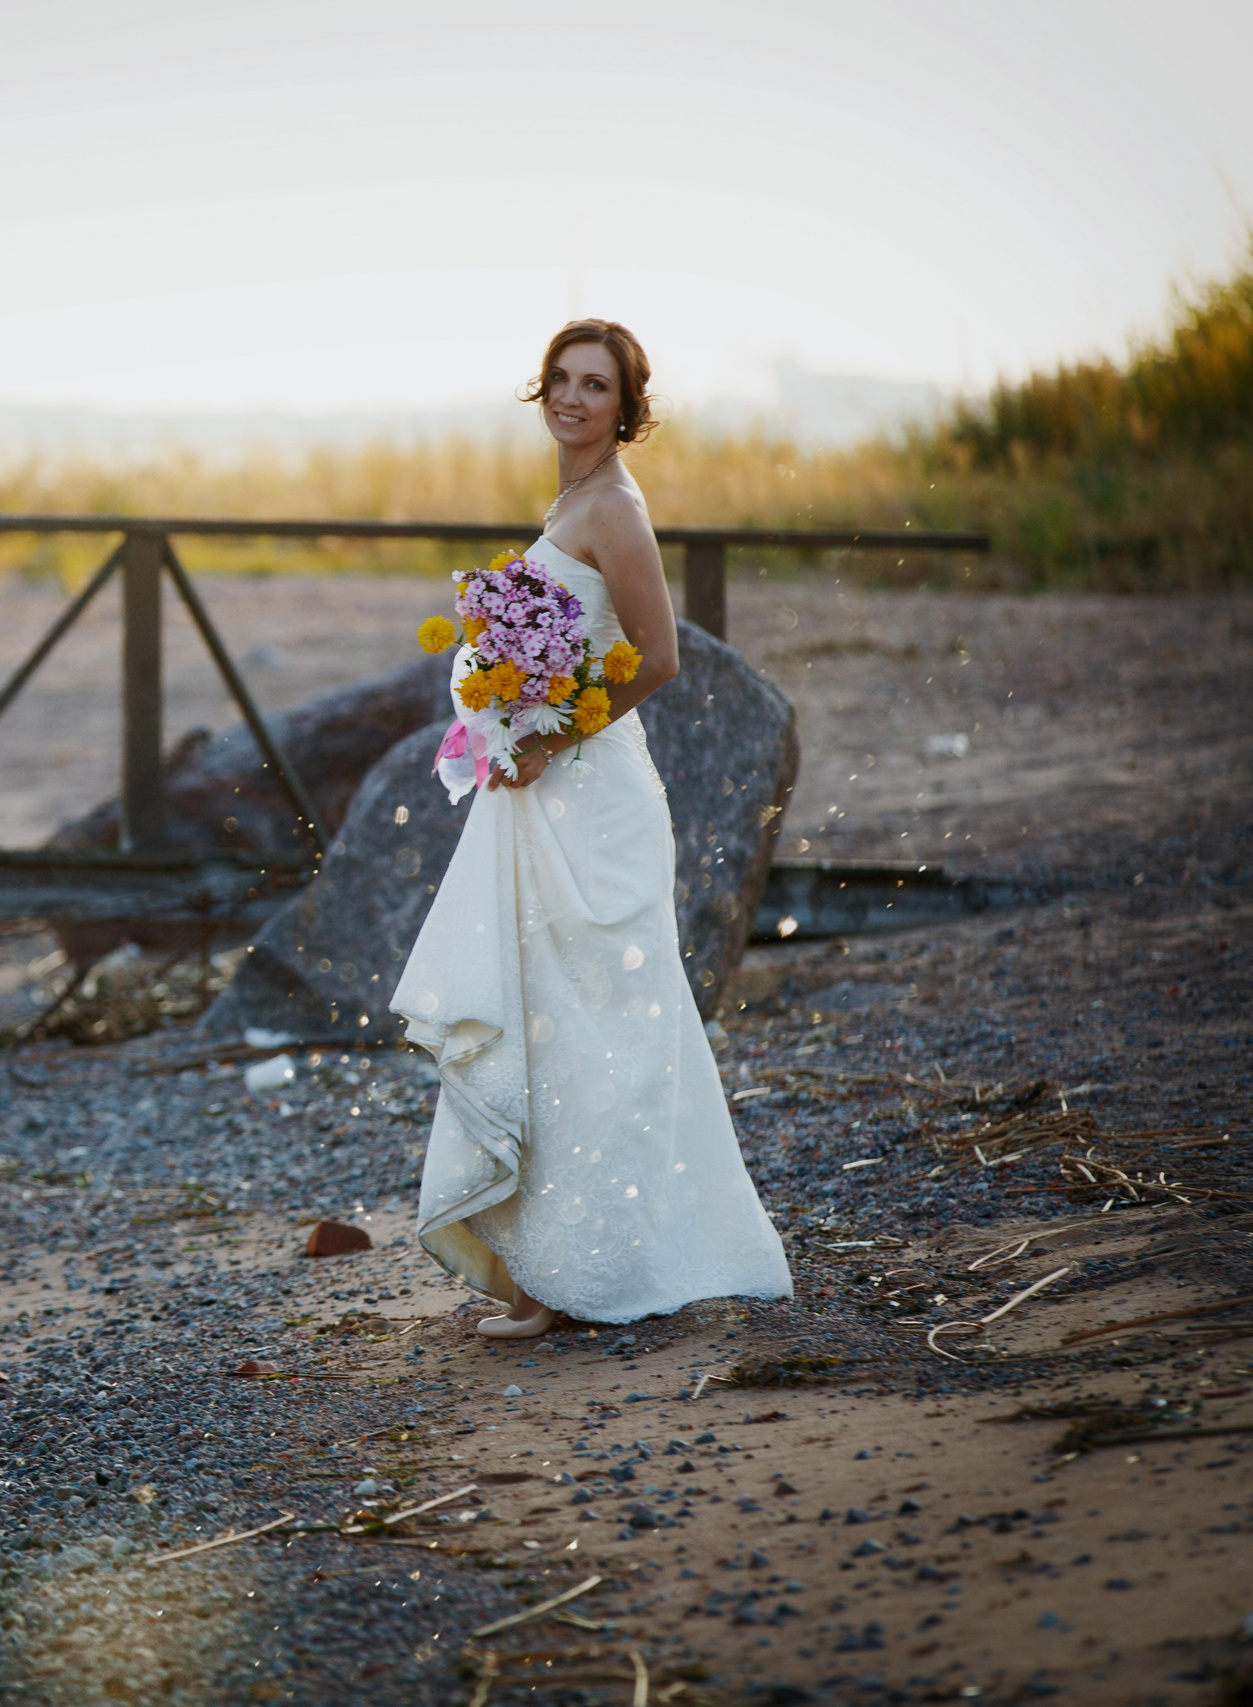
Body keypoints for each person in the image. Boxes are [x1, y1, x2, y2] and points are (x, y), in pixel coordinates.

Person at [389, 319, 792, 1338]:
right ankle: (547, 1267)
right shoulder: (569, 499)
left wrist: (550, 734)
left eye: (594, 385)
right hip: (542, 792)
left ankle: (587, 1272)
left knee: (597, 1033)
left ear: (625, 407)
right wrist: (500, 700)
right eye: (561, 380)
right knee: (544, 1021)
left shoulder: (613, 507)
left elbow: (656, 658)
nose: (572, 397)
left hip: (594, 803)